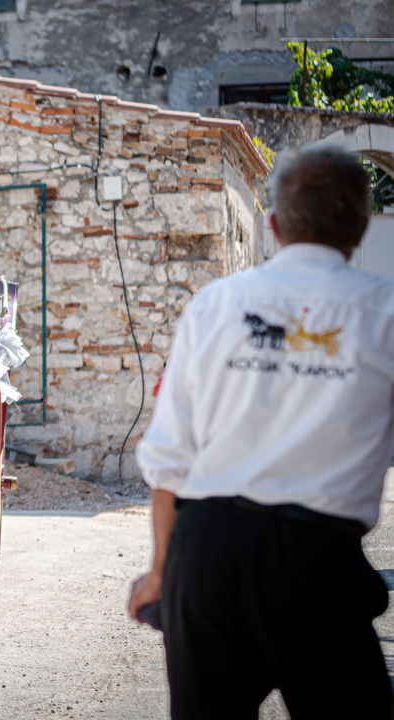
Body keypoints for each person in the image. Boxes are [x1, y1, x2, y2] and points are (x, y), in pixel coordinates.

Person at [128, 144, 394, 719]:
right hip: (319, 564)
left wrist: (161, 570)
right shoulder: (385, 311)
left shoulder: (216, 304)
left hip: (207, 554)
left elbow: (170, 457)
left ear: (271, 225)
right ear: (362, 228)